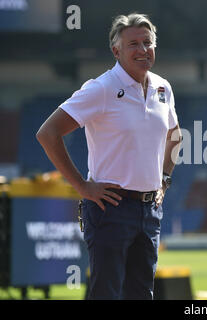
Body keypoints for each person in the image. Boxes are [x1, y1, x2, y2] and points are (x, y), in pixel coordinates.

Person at [36, 13, 182, 300]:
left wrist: (164, 179)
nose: (142, 50)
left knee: (141, 294)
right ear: (116, 51)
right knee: (106, 293)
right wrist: (81, 186)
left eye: (147, 42)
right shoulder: (100, 88)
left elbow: (175, 135)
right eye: (134, 44)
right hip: (110, 208)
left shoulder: (163, 87)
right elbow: (47, 133)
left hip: (149, 209)